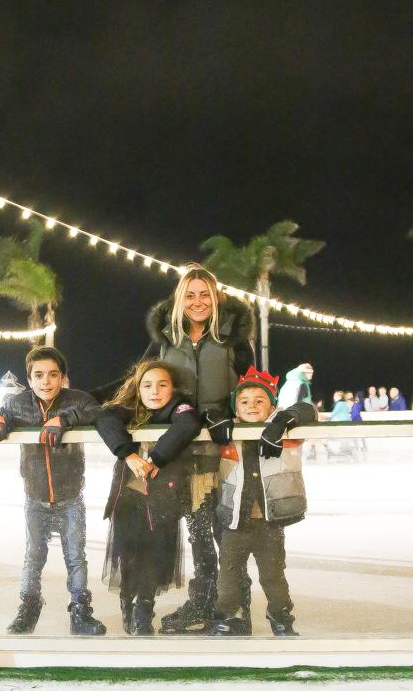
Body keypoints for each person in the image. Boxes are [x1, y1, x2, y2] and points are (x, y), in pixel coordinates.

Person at [134, 266, 255, 634]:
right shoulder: (166, 340)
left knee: (227, 534)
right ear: (179, 300)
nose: (198, 302)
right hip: (185, 452)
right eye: (190, 295)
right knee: (199, 533)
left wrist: (229, 409)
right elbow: (140, 383)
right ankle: (202, 603)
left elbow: (253, 390)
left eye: (205, 294)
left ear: (216, 298)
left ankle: (236, 608)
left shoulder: (233, 339)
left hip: (226, 452)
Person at [0, 346, 104, 636]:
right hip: (35, 497)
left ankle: (80, 611)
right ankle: (29, 607)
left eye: (53, 374)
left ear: (63, 378)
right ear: (29, 379)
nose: (46, 381)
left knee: (75, 556)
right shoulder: (17, 404)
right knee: (34, 556)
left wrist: (65, 419)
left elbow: (98, 414)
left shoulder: (78, 400)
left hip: (71, 496)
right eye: (38, 375)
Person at [97, 361, 201, 635]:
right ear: (138, 388)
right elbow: (104, 417)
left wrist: (156, 458)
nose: (154, 391)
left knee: (154, 558)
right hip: (129, 497)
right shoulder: (129, 408)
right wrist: (128, 455)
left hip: (161, 498)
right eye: (147, 385)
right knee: (129, 555)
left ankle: (144, 608)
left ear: (173, 388)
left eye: (162, 385)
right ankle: (127, 602)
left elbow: (188, 423)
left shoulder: (180, 407)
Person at [212, 368, 316, 636]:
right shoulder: (229, 431)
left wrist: (282, 420)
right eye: (244, 401)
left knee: (273, 577)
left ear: (271, 405)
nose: (252, 406)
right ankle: (226, 616)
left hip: (270, 522)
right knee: (228, 578)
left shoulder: (285, 430)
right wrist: (212, 417)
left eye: (260, 400)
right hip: (235, 523)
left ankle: (280, 617)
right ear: (236, 408)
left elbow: (309, 409)